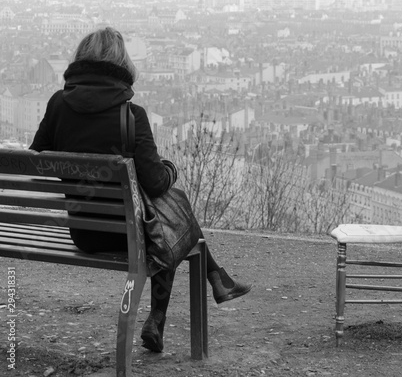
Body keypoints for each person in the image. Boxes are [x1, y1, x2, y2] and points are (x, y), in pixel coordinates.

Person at [29, 27, 251, 353]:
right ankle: (169, 310)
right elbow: (157, 183)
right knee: (170, 216)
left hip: (84, 232)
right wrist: (170, 168)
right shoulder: (132, 116)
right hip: (129, 236)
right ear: (122, 63)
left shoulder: (57, 105)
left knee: (167, 216)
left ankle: (216, 280)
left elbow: (37, 162)